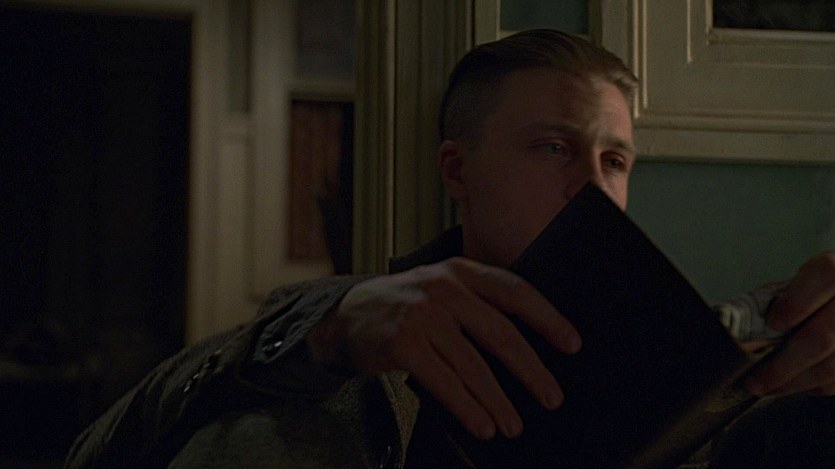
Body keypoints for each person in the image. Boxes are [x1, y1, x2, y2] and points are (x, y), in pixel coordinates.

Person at [65, 29, 835, 468]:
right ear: (457, 171)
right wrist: (325, 326)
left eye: (613, 160)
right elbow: (97, 455)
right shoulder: (339, 346)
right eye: (552, 148)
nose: (593, 189)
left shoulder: (681, 372)